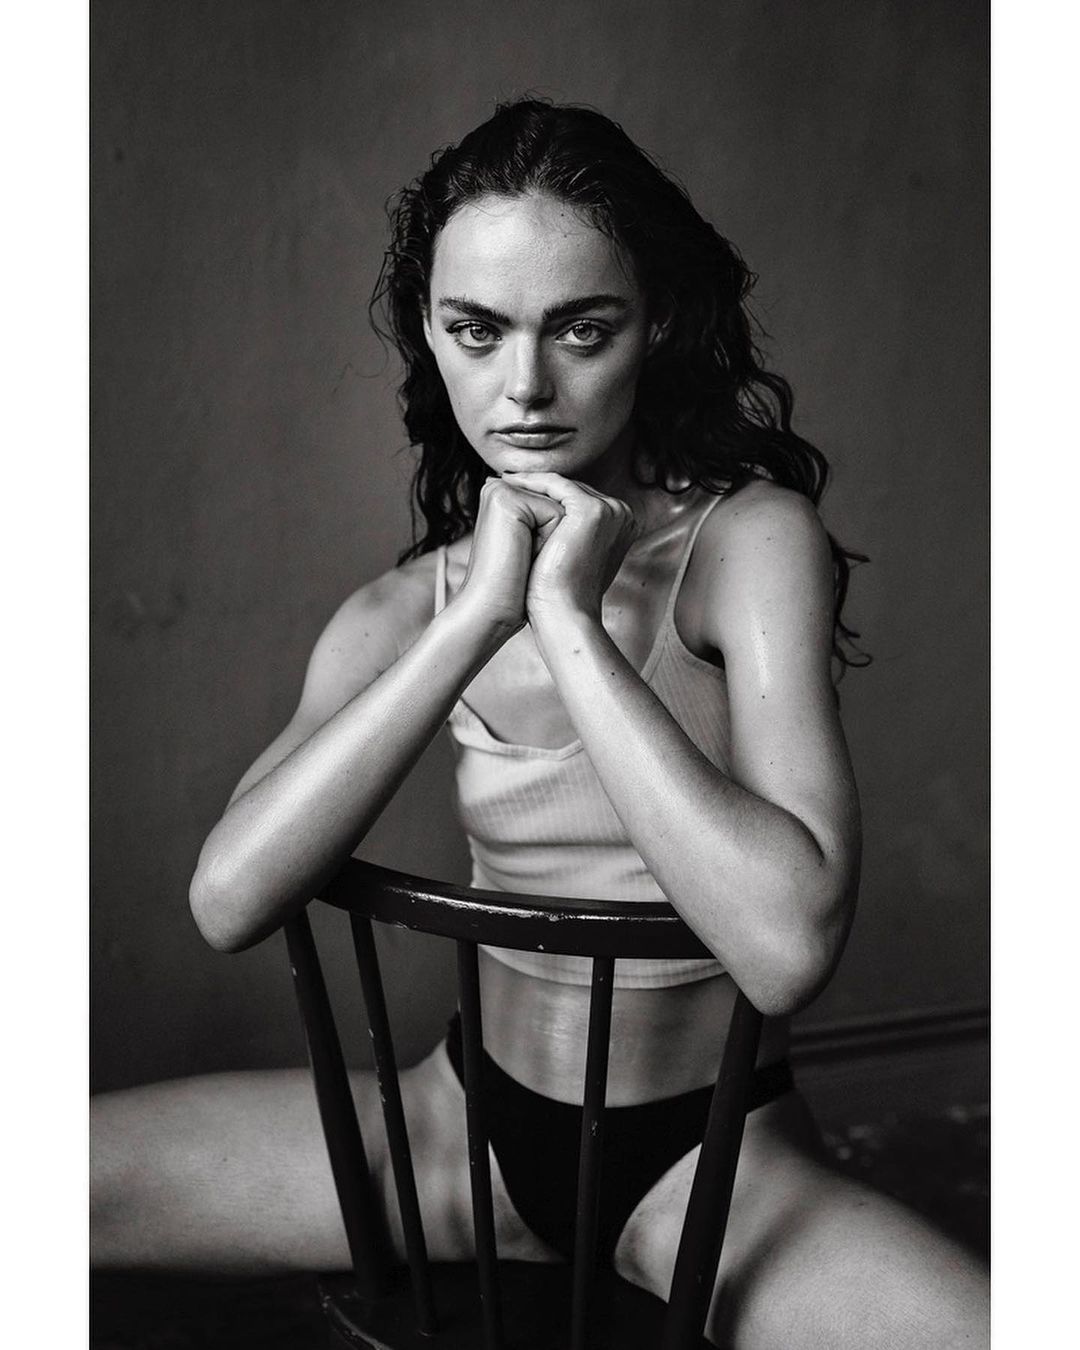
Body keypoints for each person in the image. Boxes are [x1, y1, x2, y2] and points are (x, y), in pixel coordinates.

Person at [92, 99, 988, 1346]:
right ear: (430, 330)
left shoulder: (748, 543)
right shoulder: (402, 610)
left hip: (713, 1170)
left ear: (656, 321)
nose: (525, 388)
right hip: (458, 1133)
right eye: (478, 329)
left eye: (581, 329)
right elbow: (229, 900)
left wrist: (566, 617)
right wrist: (475, 617)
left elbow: (788, 949)